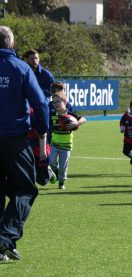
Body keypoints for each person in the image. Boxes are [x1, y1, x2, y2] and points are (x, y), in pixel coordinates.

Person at [0, 26, 49, 261]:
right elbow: (40, 104)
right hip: (14, 140)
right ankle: (5, 237)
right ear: (11, 43)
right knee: (26, 188)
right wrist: (41, 130)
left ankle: (5, 243)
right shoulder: (21, 68)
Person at [49, 91, 86, 190]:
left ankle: (61, 182)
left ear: (64, 102)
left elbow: (84, 119)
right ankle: (56, 171)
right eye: (53, 102)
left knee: (63, 166)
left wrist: (76, 123)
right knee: (51, 161)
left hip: (66, 145)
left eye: (58, 101)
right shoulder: (53, 114)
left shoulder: (70, 114)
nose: (55, 104)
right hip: (54, 143)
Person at [27, 108, 57, 186]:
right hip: (25, 146)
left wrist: (43, 151)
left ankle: (49, 171)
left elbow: (42, 132)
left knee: (42, 181)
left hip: (39, 147)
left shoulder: (33, 111)